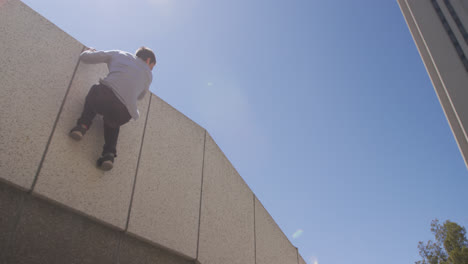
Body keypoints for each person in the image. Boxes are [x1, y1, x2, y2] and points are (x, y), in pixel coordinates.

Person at [69, 47, 156, 171]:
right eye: (152, 66)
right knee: (113, 124)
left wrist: (88, 51)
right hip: (125, 112)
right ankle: (108, 155)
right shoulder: (149, 75)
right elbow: (141, 96)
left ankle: (82, 126)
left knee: (95, 91)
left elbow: (85, 58)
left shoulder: (120, 54)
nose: (151, 69)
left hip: (105, 95)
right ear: (148, 60)